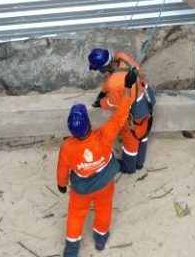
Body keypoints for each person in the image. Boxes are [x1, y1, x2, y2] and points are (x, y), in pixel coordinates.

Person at [56, 68, 137, 256]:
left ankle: (71, 250)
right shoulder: (104, 135)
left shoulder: (67, 147)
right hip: (104, 185)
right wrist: (127, 87)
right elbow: (121, 115)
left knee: (76, 216)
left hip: (81, 190)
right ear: (89, 124)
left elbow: (62, 170)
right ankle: (100, 241)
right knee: (104, 210)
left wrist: (61, 185)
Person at [89, 47, 156, 174]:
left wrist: (101, 102)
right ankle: (139, 163)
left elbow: (114, 104)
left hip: (135, 112)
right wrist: (103, 92)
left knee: (130, 139)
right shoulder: (122, 57)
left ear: (102, 69)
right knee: (142, 135)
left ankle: (129, 166)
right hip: (146, 100)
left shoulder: (114, 84)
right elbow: (137, 71)